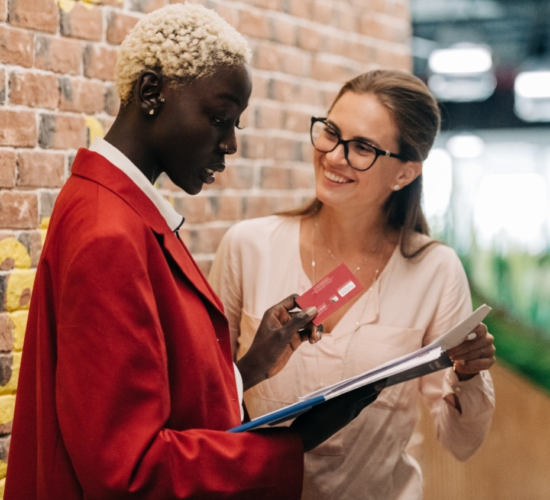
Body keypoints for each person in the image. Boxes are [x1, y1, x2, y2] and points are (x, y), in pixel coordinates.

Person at [4, 5, 380, 499]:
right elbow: (127, 471)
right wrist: (297, 440)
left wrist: (249, 367)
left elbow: (152, 403)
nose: (230, 145)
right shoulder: (109, 233)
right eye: (220, 119)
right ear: (151, 93)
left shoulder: (114, 206)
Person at [209, 69, 496, 500]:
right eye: (330, 133)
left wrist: (469, 373)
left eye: (362, 147)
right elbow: (204, 398)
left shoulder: (434, 270)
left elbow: (461, 441)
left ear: (404, 174)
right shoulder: (249, 247)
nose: (334, 156)